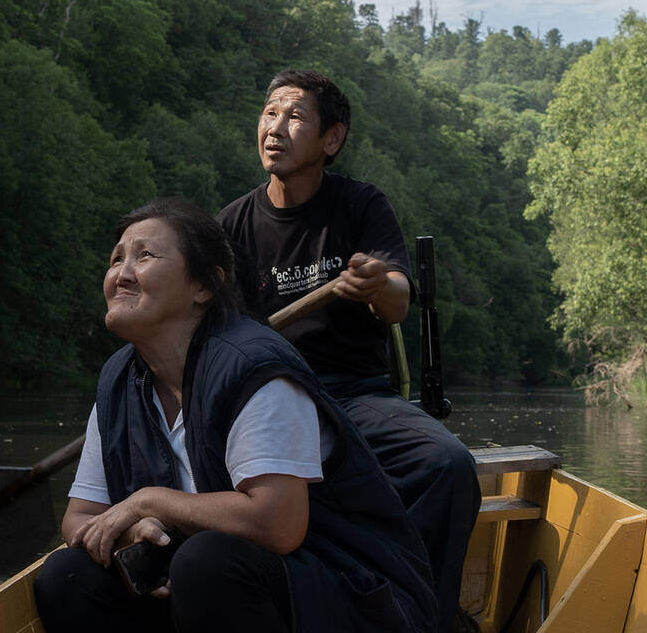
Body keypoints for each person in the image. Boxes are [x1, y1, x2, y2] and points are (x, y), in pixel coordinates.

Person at [34, 198, 435, 633]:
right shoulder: (119, 381)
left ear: (203, 287)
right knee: (65, 576)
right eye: (116, 260)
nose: (121, 274)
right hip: (210, 593)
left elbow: (277, 524)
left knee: (206, 561)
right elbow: (79, 518)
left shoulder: (255, 370)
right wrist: (132, 531)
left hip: (350, 595)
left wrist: (149, 501)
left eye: (144, 256)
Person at [217, 69, 481, 633]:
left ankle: (419, 618)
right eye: (269, 113)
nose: (275, 127)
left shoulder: (360, 204)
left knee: (446, 465)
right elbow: (212, 341)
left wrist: (375, 283)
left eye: (294, 116)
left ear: (330, 140)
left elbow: (397, 302)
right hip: (266, 401)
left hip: (355, 396)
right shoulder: (230, 227)